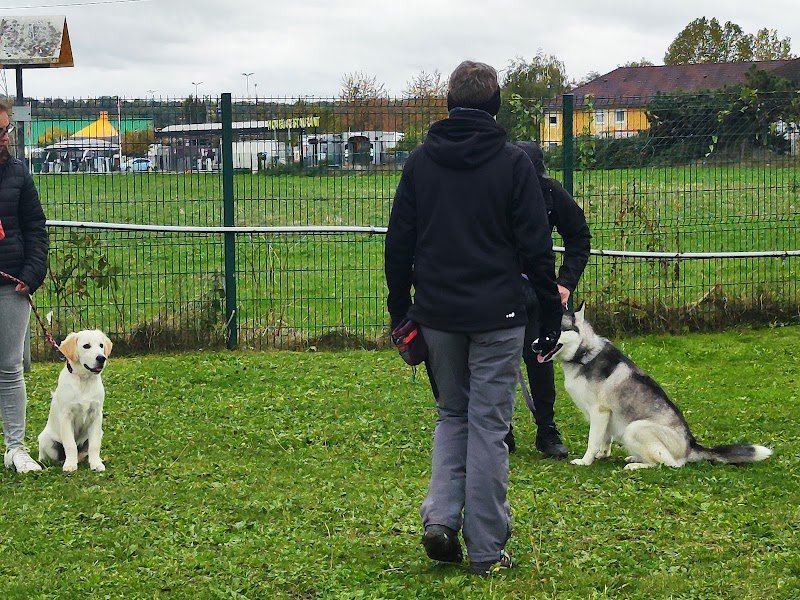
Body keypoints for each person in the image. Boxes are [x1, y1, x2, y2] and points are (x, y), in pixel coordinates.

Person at [385, 61, 562, 575]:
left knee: (453, 416)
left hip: (437, 313)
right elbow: (536, 248)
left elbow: (399, 245)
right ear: (496, 104)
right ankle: (487, 549)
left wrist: (401, 309)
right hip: (500, 316)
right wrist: (550, 314)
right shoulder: (514, 165)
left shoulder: (419, 164)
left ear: (448, 103)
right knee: (489, 424)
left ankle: (440, 519)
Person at [505, 142, 591, 459]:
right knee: (498, 361)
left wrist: (566, 283)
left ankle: (547, 429)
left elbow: (579, 236)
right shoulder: (496, 191)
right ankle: (502, 431)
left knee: (540, 358)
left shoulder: (552, 194)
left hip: (540, 291)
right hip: (499, 289)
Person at [0, 100, 49, 473]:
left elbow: (36, 229)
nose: (1, 138)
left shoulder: (19, 173)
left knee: (10, 367)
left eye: (5, 131)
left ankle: (16, 448)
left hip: (11, 285)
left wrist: (31, 275)